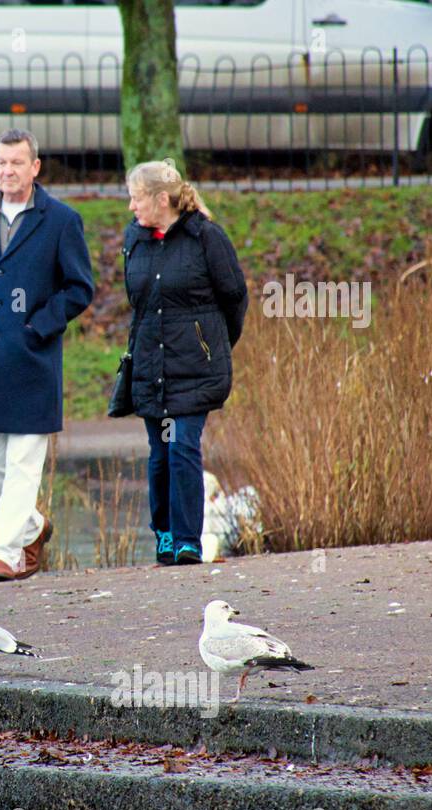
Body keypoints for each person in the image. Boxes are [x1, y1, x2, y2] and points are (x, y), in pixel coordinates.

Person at [0, 129, 95, 582]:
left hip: (33, 362)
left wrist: (39, 325)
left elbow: (79, 288)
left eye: (16, 163)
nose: (7, 171)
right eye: (1, 163)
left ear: (35, 167)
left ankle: (2, 556)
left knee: (23, 465)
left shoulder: (62, 221)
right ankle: (32, 526)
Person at [123, 161, 247, 566]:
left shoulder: (206, 237)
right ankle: (163, 535)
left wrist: (212, 345)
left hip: (194, 367)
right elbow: (138, 305)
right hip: (149, 365)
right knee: (159, 453)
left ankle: (187, 540)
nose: (130, 206)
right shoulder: (135, 239)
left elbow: (234, 297)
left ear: (162, 199)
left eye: (136, 197)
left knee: (182, 447)